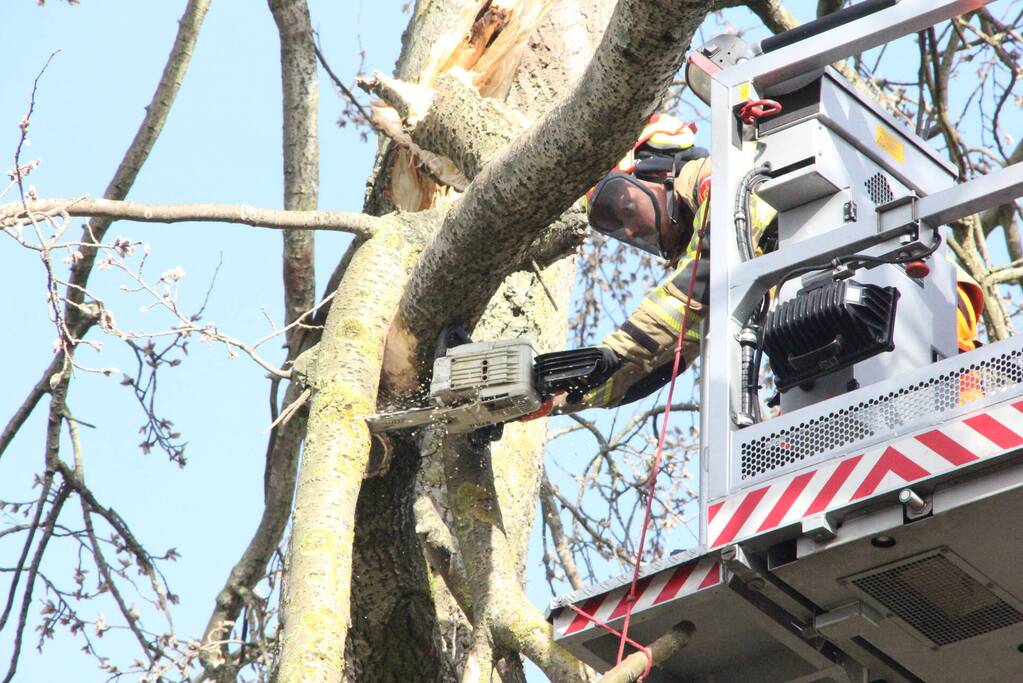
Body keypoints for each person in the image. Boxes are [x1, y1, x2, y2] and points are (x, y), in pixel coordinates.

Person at [528, 113, 985, 419]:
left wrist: (612, 353)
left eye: (622, 208)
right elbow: (663, 358)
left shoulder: (727, 180)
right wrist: (562, 396)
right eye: (613, 228)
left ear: (658, 168)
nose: (629, 231)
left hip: (922, 321)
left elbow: (697, 290)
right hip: (865, 347)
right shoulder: (714, 252)